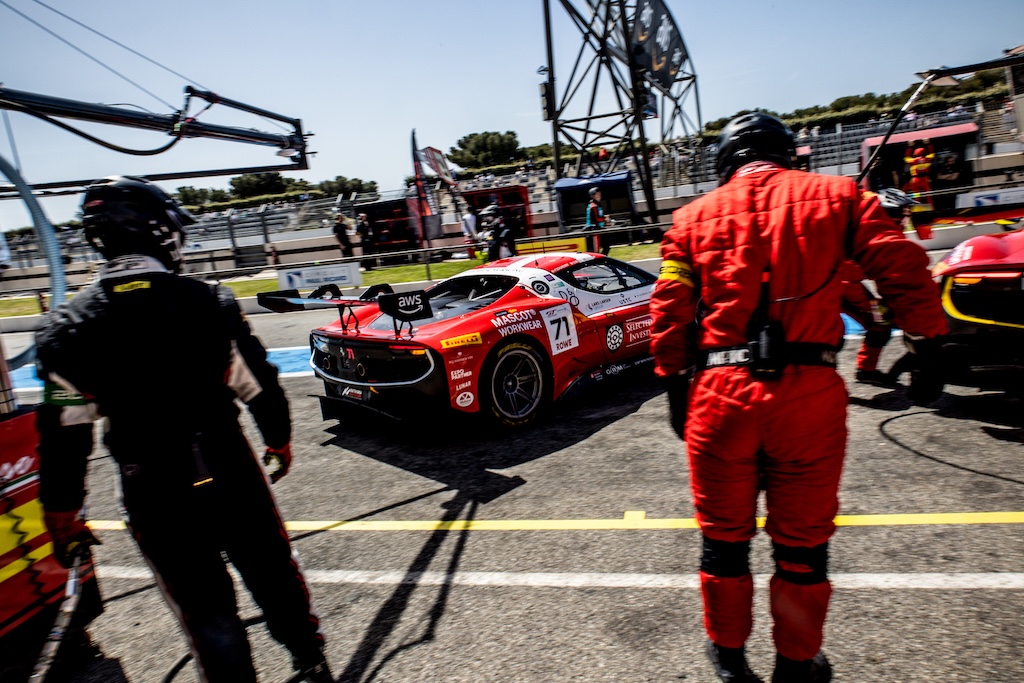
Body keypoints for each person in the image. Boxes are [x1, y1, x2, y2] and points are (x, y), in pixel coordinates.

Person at [650, 114, 947, 683]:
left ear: (726, 161)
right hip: (808, 396)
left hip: (719, 398)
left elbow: (668, 308)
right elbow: (900, 264)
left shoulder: (689, 220)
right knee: (803, 547)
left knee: (723, 540)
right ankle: (795, 664)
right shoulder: (842, 197)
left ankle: (729, 659)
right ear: (788, 152)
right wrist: (928, 343)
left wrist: (674, 386)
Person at [35, 176, 334, 683]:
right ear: (160, 232)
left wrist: (62, 511)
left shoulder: (65, 329)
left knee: (205, 610)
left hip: (149, 485)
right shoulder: (209, 301)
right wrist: (278, 440)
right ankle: (310, 661)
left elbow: (66, 432)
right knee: (273, 572)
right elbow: (259, 384)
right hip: (228, 464)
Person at [840, 188, 922, 385]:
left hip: (841, 284)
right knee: (880, 322)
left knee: (880, 323)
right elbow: (884, 275)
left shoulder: (869, 225)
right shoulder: (876, 232)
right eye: (902, 212)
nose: (906, 218)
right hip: (839, 286)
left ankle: (865, 370)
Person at [584, 186, 611, 255]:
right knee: (595, 250)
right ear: (592, 196)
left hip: (599, 229)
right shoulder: (593, 206)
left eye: (600, 194)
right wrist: (605, 218)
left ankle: (602, 259)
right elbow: (596, 219)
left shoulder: (598, 205)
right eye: (597, 194)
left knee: (606, 247)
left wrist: (605, 222)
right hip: (593, 230)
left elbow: (599, 218)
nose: (599, 196)